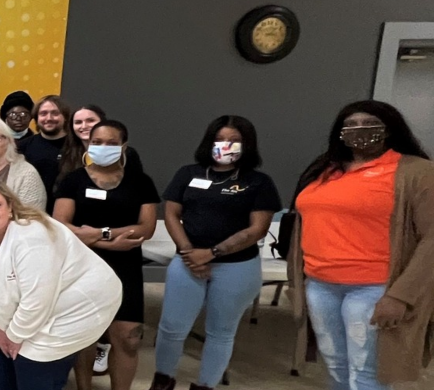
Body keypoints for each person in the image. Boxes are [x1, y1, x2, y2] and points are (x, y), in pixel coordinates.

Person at [290, 100, 434, 390]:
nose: (359, 130)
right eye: (351, 125)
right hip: (321, 284)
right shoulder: (327, 169)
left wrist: (401, 296)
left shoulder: (415, 172)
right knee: (337, 367)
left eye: (369, 124)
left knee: (366, 373)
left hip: (374, 287)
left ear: (389, 129)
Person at [151, 116, 281, 390]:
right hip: (187, 262)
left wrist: (210, 253)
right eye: (220, 139)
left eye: (234, 141)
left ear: (247, 145)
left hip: (236, 266)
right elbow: (172, 214)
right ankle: (163, 380)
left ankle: (205, 384)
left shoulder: (259, 182)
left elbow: (257, 229)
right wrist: (189, 253)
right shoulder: (189, 173)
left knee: (221, 332)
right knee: (172, 328)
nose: (226, 145)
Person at [0, 180, 121, 390]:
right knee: (2, 367)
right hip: (27, 309)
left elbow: (37, 299)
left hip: (75, 307)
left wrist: (14, 336)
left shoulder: (31, 237)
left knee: (32, 366)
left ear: (10, 207)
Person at [52, 120, 157, 390]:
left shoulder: (140, 182)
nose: (102, 147)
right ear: (87, 144)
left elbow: (146, 227)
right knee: (86, 335)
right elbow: (61, 225)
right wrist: (110, 241)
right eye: (97, 142)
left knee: (128, 337)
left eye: (111, 143)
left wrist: (99, 235)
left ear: (123, 146)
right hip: (82, 266)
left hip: (126, 266)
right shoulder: (72, 180)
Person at [66, 105, 143, 179]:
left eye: (90, 120)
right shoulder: (68, 153)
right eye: (78, 122)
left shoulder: (127, 153)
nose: (84, 126)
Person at [20, 95, 72, 200]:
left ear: (65, 117)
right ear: (36, 118)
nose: (49, 118)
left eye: (55, 113)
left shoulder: (76, 146)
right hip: (32, 208)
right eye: (43, 114)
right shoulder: (22, 147)